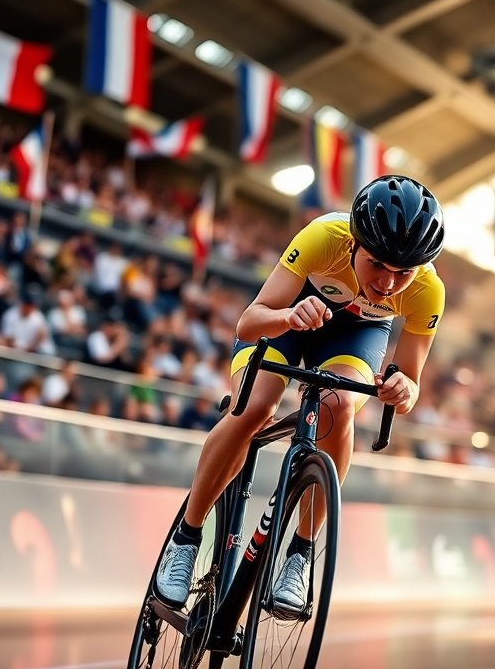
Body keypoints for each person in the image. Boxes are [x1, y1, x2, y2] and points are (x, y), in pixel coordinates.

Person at [152, 175, 447, 612]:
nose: (387, 284)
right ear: (353, 244)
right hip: (287, 320)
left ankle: (300, 553)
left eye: (402, 273)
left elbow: (409, 382)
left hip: (356, 336)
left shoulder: (427, 291)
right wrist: (289, 316)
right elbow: (249, 323)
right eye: (377, 265)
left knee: (339, 406)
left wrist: (403, 390)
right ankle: (187, 538)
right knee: (255, 407)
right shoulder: (324, 236)